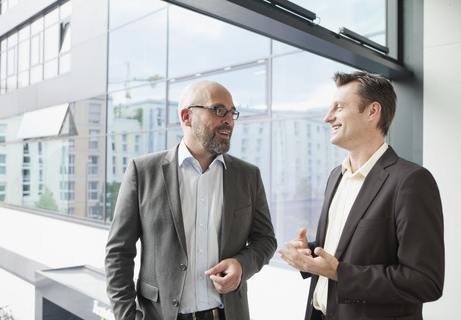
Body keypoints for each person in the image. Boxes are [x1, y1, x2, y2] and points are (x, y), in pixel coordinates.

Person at [105, 80, 277, 320]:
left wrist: (242, 265)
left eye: (232, 112)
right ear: (187, 117)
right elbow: (118, 253)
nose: (229, 120)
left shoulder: (248, 176)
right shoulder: (142, 172)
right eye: (218, 110)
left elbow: (266, 239)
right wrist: (126, 316)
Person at [278, 71, 444, 320]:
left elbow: (425, 281)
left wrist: (339, 272)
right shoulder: (337, 176)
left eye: (339, 107)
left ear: (372, 112)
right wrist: (310, 253)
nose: (327, 117)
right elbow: (347, 249)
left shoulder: (411, 181)